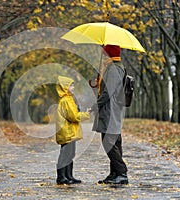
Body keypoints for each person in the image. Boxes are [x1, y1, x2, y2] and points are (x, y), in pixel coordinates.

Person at [92, 44, 129, 184]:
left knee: (108, 141)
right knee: (115, 141)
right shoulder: (115, 67)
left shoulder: (113, 68)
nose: (103, 56)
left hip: (110, 109)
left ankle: (121, 172)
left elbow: (108, 91)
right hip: (113, 109)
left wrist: (96, 105)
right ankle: (114, 173)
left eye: (104, 53)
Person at [55, 76, 91, 185]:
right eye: (71, 85)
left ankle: (69, 176)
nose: (73, 87)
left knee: (70, 154)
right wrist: (86, 114)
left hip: (70, 131)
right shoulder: (65, 100)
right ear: (65, 87)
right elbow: (73, 116)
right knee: (65, 154)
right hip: (67, 132)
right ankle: (61, 177)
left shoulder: (70, 98)